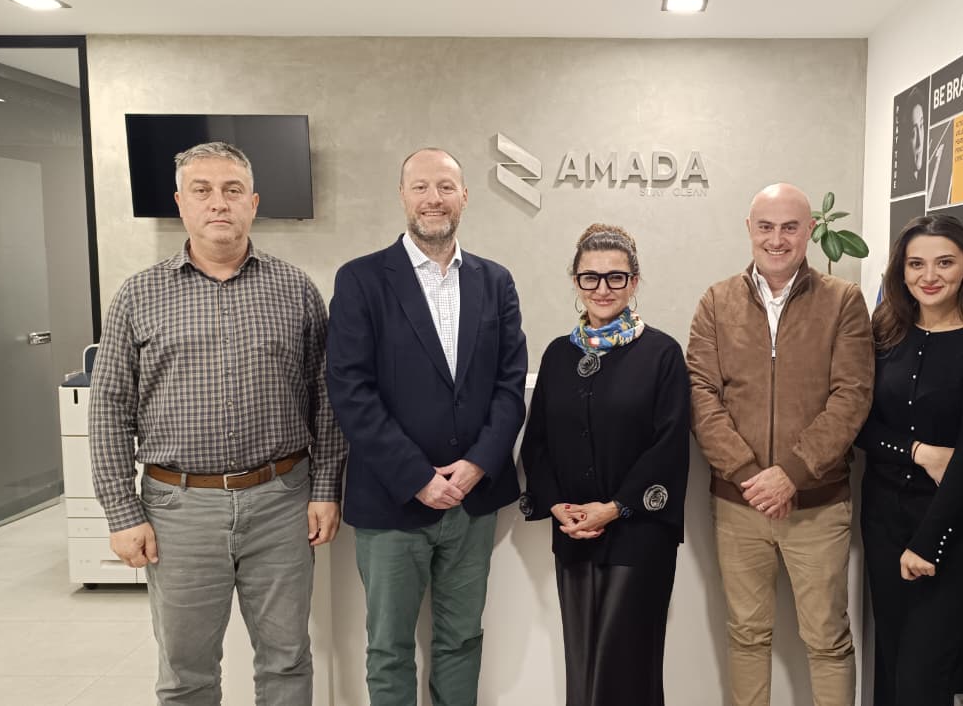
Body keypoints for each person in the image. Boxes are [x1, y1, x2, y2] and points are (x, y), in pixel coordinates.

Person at [89, 141, 346, 704]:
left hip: (281, 501)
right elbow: (108, 407)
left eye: (232, 191)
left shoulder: (297, 290)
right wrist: (121, 511)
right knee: (187, 673)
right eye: (202, 191)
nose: (218, 203)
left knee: (286, 661)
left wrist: (326, 487)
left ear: (253, 203)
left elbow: (326, 398)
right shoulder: (137, 295)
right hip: (178, 510)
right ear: (180, 203)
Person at [326, 148, 527, 706]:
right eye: (420, 187)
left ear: (464, 196)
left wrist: (478, 464)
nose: (433, 199)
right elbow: (350, 389)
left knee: (462, 638)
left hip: (472, 501)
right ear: (402, 196)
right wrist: (417, 476)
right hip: (392, 500)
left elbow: (510, 385)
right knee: (389, 647)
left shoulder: (495, 281)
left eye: (445, 187)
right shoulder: (361, 279)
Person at [688, 183, 874, 706]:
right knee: (747, 635)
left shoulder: (843, 301)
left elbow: (851, 396)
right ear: (749, 230)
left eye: (790, 227)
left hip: (818, 505)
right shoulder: (716, 302)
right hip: (739, 503)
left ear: (809, 230)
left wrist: (791, 473)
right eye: (766, 227)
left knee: (827, 639)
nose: (777, 239)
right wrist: (751, 477)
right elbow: (701, 394)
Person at [519, 223, 690, 706]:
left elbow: (669, 446)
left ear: (634, 282)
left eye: (615, 277)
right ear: (575, 282)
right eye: (590, 277)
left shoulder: (662, 354)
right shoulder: (558, 355)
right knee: (585, 663)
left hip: (639, 534)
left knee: (625, 666)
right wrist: (557, 506)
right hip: (574, 532)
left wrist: (614, 508)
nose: (602, 288)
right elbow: (537, 442)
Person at [856, 214, 963, 706]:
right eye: (916, 264)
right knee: (892, 660)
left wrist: (927, 543)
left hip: (957, 526)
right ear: (901, 271)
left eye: (944, 263)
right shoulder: (882, 337)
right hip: (884, 520)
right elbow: (859, 425)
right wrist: (918, 452)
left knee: (923, 673)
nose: (929, 275)